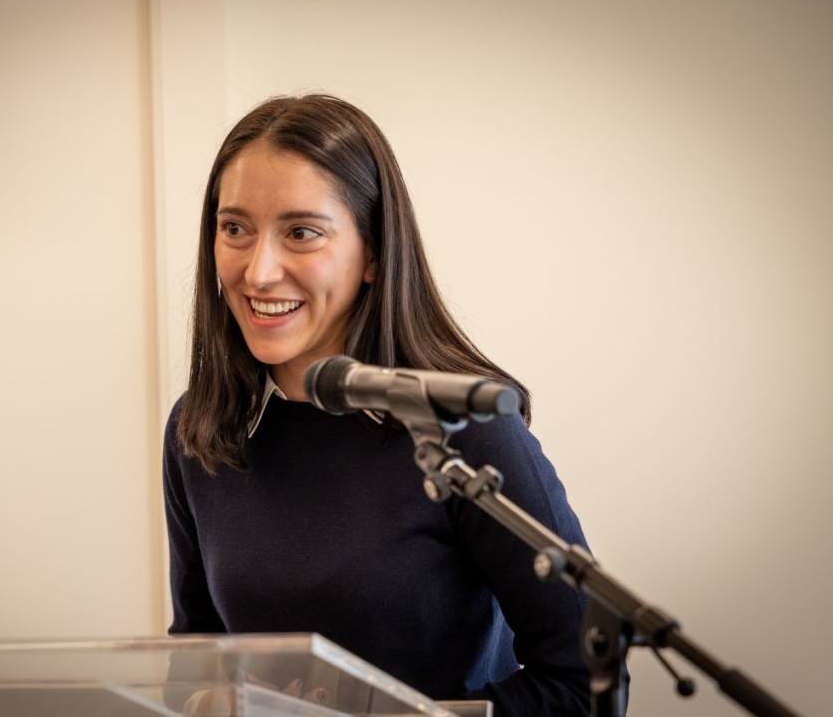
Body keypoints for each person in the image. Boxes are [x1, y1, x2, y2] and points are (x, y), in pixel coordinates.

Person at [162, 93, 596, 715]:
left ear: (372, 253)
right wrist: (211, 703)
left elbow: (582, 687)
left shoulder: (465, 429)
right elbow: (194, 656)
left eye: (301, 232)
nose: (258, 272)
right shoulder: (199, 428)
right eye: (235, 229)